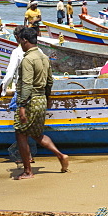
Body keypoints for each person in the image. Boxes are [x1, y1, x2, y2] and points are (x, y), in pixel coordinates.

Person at [11, 25, 69, 180]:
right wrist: (48, 99)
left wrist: (22, 106)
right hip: (42, 100)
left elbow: (27, 85)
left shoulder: (28, 59)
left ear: (24, 40)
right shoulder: (44, 57)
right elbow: (50, 81)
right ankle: (61, 155)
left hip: (31, 101)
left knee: (21, 133)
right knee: (37, 134)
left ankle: (28, 171)